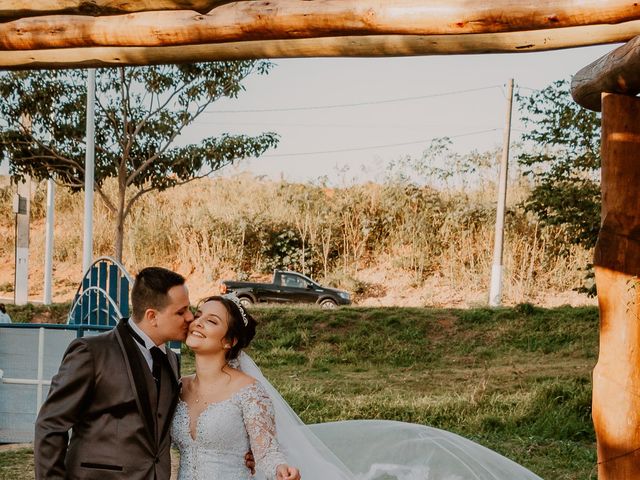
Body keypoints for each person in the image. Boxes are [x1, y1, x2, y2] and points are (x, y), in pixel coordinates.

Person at [34, 267, 249, 479]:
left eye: (188, 309)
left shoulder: (171, 360)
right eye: (180, 311)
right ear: (152, 316)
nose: (190, 317)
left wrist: (238, 451)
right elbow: (51, 425)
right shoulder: (92, 352)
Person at [172, 295, 300, 480]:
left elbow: (267, 452)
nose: (198, 322)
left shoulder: (249, 391)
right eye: (198, 315)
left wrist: (281, 469)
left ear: (229, 341)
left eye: (211, 321)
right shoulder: (178, 386)